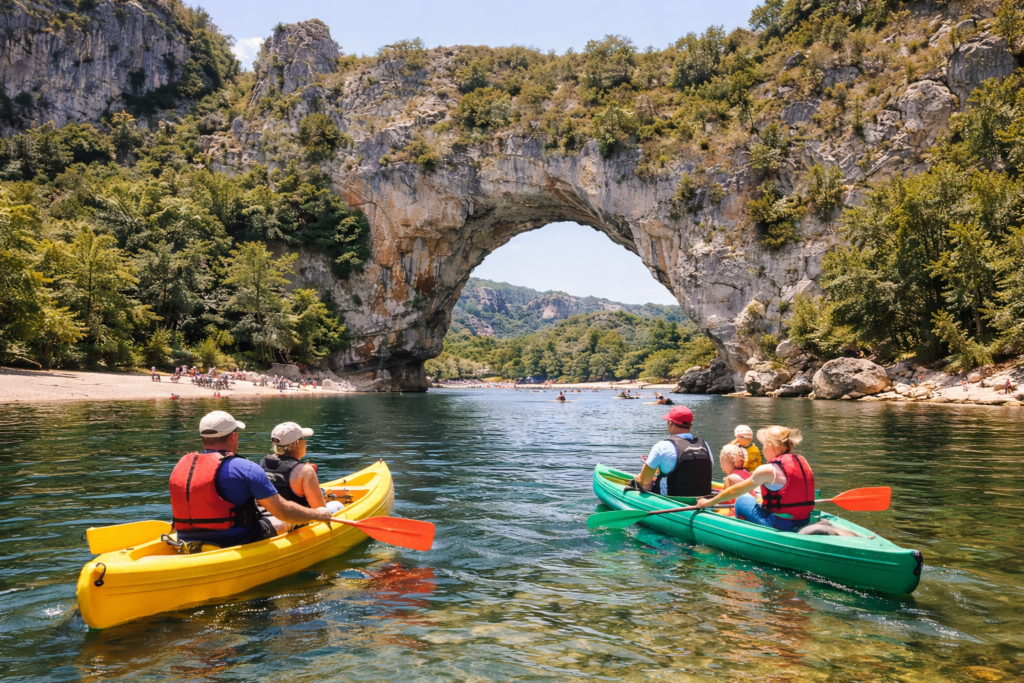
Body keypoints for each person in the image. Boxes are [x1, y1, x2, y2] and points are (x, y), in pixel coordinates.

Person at [169, 411, 336, 549]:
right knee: (284, 520)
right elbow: (284, 511)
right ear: (233, 436)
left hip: (185, 537)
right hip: (237, 538)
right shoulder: (245, 467)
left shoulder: (181, 466)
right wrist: (317, 514)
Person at [697, 425, 814, 531]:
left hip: (779, 524)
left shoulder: (768, 469)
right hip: (804, 520)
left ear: (770, 445)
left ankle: (739, 529)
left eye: (763, 444)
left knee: (742, 498)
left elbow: (734, 491)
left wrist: (708, 502)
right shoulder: (803, 462)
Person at [259, 422, 343, 528]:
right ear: (296, 443)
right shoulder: (305, 470)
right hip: (298, 522)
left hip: (268, 518)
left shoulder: (263, 463)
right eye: (303, 439)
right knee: (338, 505)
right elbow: (320, 509)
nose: (306, 442)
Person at [631, 406, 713, 497]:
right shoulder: (705, 445)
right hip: (702, 501)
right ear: (690, 425)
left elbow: (644, 482)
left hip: (673, 502)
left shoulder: (662, 446)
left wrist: (638, 479)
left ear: (670, 423)